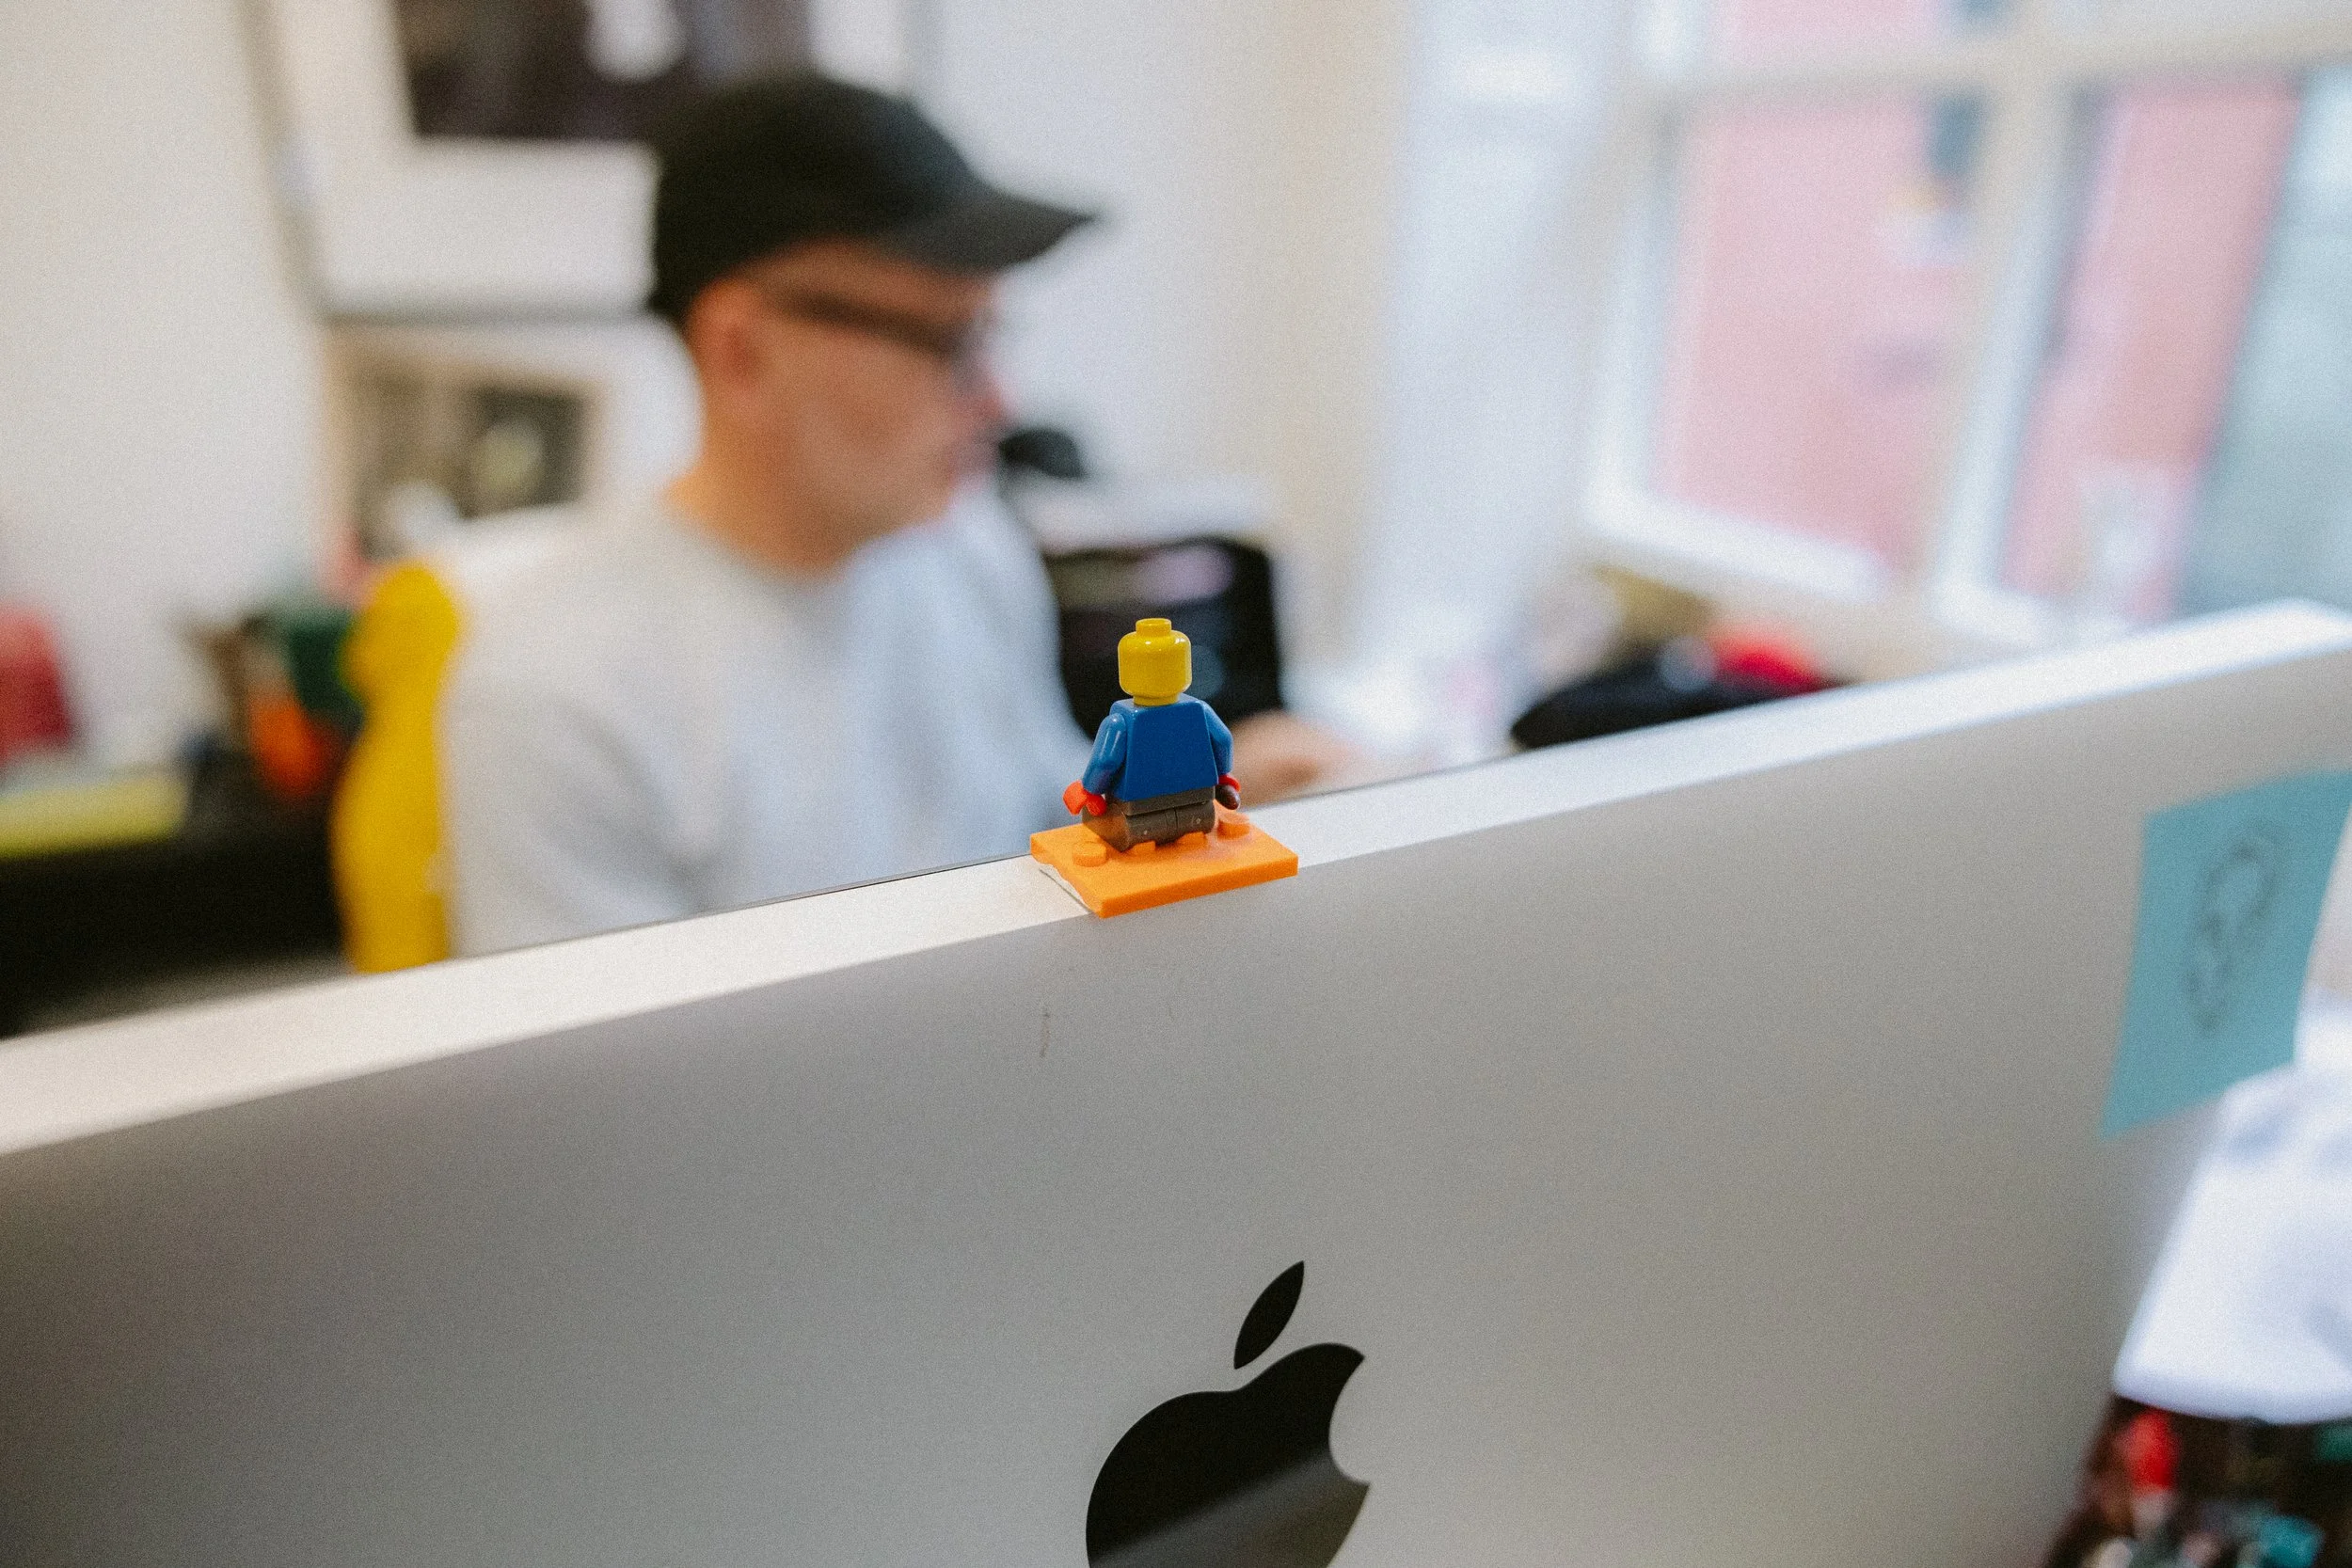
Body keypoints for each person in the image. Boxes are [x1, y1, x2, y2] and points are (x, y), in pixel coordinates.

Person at [438, 73, 1330, 955]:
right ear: (741, 352)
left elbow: (1033, 822)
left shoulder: (966, 549)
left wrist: (1209, 797)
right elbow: (603, 1090)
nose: (999, 401)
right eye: (946, 341)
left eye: (991, 333)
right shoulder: (556, 701)